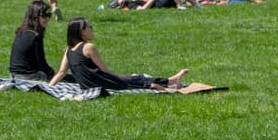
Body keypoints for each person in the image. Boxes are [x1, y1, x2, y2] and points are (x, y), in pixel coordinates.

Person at [49, 18, 189, 92]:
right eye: (90, 27)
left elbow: (61, 72)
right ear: (82, 32)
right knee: (135, 79)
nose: (92, 29)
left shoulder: (69, 50)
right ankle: (165, 84)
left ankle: (170, 81)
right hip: (101, 83)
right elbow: (105, 71)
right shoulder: (88, 47)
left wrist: (50, 87)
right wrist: (122, 76)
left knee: (133, 78)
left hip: (87, 86)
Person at [9, 1, 58, 82]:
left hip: (13, 75)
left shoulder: (22, 31)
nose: (47, 18)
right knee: (70, 79)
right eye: (44, 15)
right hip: (29, 77)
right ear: (34, 16)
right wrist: (54, 74)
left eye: (49, 15)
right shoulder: (36, 36)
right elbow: (42, 63)